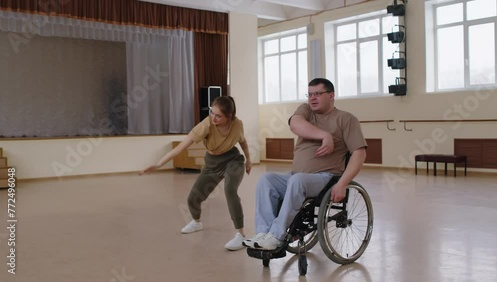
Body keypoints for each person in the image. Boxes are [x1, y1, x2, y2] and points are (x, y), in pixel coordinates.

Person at [243, 78, 367, 250]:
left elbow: (359, 154)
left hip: (325, 178)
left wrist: (343, 183)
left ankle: (276, 236)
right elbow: (295, 124)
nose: (312, 98)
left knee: (298, 180)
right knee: (266, 179)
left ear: (331, 95)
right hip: (295, 176)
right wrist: (325, 135)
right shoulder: (306, 111)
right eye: (309, 94)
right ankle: (263, 233)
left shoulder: (346, 119)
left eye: (318, 94)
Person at [140, 96, 252, 251]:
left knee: (230, 190)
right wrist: (159, 164)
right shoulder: (206, 125)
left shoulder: (237, 124)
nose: (213, 117)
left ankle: (241, 234)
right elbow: (181, 147)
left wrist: (249, 160)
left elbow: (243, 141)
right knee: (193, 198)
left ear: (230, 116)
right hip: (212, 164)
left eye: (218, 115)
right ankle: (196, 222)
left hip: (233, 160)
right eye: (212, 112)